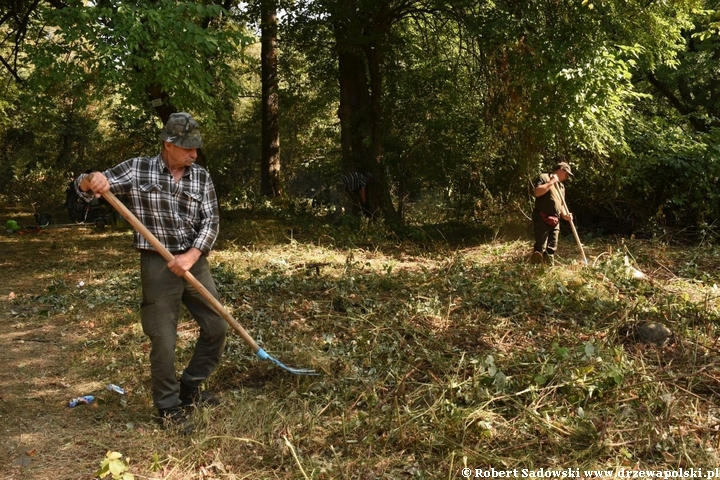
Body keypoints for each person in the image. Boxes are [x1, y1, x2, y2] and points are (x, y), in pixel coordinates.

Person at [74, 113, 227, 431]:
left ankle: (189, 388)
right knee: (163, 338)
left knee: (216, 327)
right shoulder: (137, 168)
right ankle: (169, 407)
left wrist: (191, 255)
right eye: (188, 148)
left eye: (196, 148)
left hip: (193, 260)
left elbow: (211, 221)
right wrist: (93, 179)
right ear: (168, 145)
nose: (194, 155)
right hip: (157, 264)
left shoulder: (200, 176)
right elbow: (85, 186)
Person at [531, 162, 574, 265]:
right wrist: (552, 182)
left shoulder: (561, 186)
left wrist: (565, 215)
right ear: (561, 170)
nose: (567, 177)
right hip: (542, 217)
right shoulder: (544, 177)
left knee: (552, 247)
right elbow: (537, 192)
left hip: (555, 219)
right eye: (566, 174)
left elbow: (561, 204)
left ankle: (548, 270)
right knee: (540, 245)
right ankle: (534, 269)